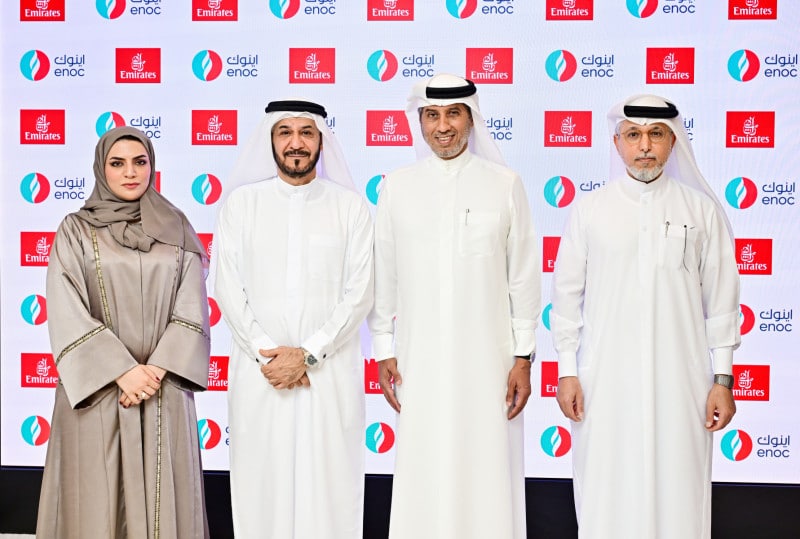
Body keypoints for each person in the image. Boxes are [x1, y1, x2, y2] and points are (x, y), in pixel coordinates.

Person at [551, 94, 740, 538]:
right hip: (603, 382)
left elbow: (722, 300)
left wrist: (723, 379)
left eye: (656, 134)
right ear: (617, 143)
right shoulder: (590, 209)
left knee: (680, 488)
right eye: (633, 135)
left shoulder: (700, 210)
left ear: (673, 141)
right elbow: (566, 297)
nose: (645, 146)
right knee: (606, 487)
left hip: (683, 383)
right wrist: (567, 371)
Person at [369, 74, 540, 539]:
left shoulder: (504, 184)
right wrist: (383, 349)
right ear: (420, 121)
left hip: (490, 362)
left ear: (471, 118)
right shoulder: (397, 186)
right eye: (432, 115)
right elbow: (384, 273)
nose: (442, 126)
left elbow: (523, 277)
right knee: (424, 467)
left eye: (453, 114)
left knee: (487, 467)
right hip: (418, 359)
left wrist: (523, 357)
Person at [37, 126, 211, 538]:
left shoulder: (176, 227)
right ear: (102, 169)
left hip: (162, 389)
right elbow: (66, 307)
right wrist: (122, 371)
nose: (130, 172)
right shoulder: (75, 230)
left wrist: (154, 372)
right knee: (96, 502)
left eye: (140, 162)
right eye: (117, 163)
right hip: (99, 390)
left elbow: (192, 306)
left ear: (152, 166)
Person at [213, 99, 373, 538]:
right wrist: (269, 355)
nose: (296, 143)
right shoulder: (242, 205)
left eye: (306, 133)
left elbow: (360, 291)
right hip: (261, 375)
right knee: (261, 486)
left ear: (322, 140)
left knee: (330, 489)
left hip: (328, 376)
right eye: (285, 132)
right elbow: (227, 287)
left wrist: (308, 354)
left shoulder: (350, 207)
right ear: (271, 139)